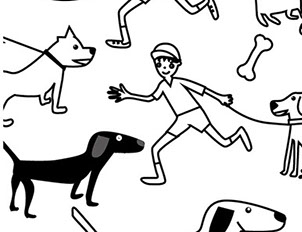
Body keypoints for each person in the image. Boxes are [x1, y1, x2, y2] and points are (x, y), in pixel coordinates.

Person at [106, 43, 251, 185]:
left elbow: (202, 90)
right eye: (159, 65)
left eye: (169, 65)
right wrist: (128, 95)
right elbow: (150, 98)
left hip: (196, 114)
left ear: (176, 65)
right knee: (156, 148)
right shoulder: (162, 86)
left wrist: (220, 97)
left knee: (223, 142)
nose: (164, 69)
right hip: (182, 118)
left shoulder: (180, 82)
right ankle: (160, 177)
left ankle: (239, 133)